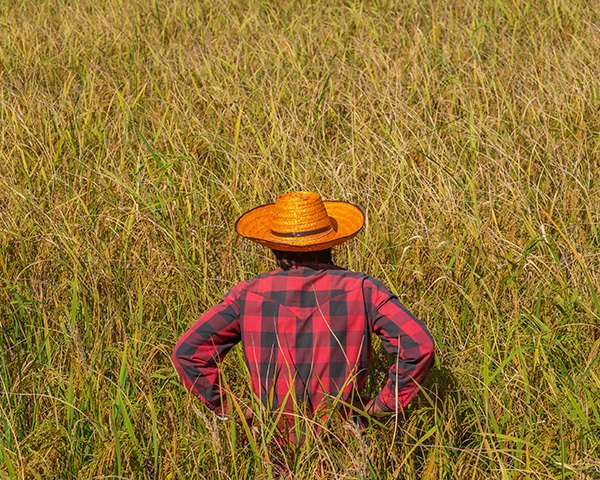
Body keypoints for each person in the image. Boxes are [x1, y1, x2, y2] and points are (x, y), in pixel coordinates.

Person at [172, 191, 435, 436]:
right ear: (331, 243)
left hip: (272, 448)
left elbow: (187, 353)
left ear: (275, 247)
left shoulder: (248, 295)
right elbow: (418, 346)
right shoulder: (363, 290)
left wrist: (234, 409)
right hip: (345, 446)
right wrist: (382, 404)